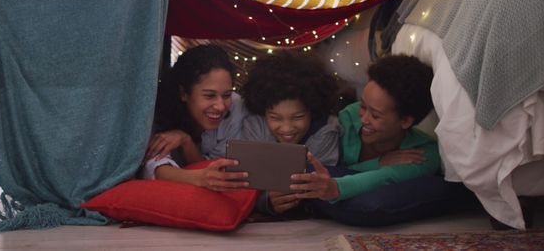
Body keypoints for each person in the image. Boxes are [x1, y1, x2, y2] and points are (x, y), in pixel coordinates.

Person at [290, 54, 477, 226]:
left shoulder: (423, 152)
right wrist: (378, 163)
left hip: (350, 190)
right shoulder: (346, 120)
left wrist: (336, 188)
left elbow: (386, 177)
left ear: (405, 121)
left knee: (371, 202)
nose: (363, 118)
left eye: (376, 115)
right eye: (363, 106)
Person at [239, 50, 341, 216]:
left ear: (313, 110)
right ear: (262, 112)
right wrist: (264, 200)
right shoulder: (255, 125)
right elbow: (246, 180)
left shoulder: (326, 130)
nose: (286, 128)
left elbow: (323, 185)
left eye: (298, 117)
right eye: (275, 118)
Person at [141, 44, 249, 191]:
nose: (221, 106)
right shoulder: (156, 113)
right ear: (183, 93)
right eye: (209, 96)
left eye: (226, 95)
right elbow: (156, 168)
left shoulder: (236, 108)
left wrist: (186, 141)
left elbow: (212, 167)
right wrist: (199, 178)